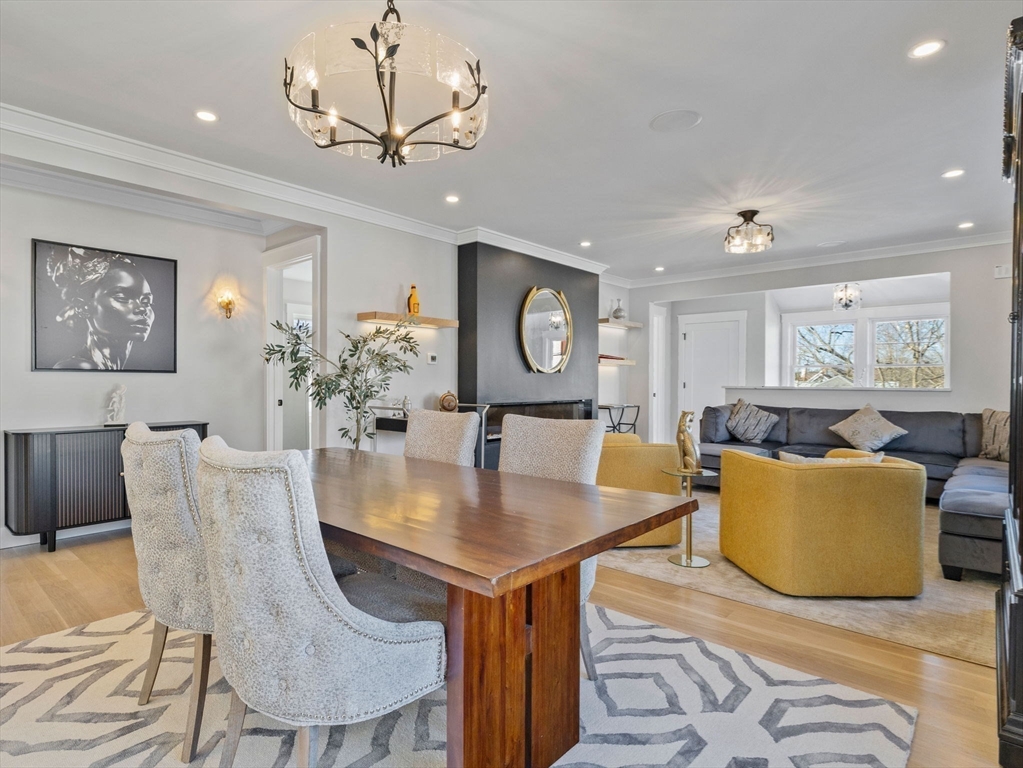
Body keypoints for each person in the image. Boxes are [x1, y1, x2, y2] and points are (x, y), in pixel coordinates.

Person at [47, 247, 155, 370]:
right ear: (83, 307)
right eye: (122, 298)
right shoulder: (80, 367)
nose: (142, 309)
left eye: (147, 302)